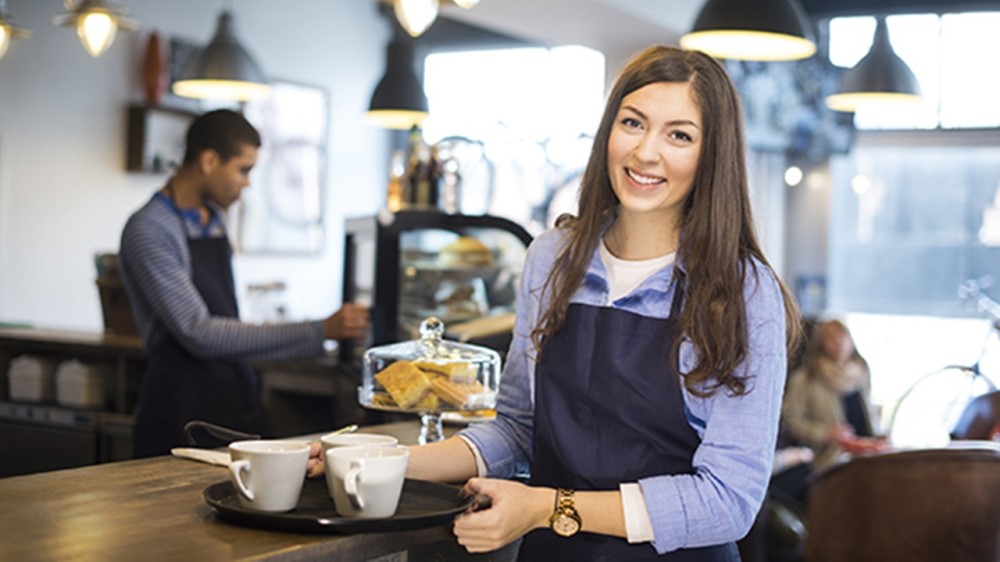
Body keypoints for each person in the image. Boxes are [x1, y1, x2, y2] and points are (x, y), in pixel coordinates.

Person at [313, 45, 801, 559]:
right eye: (632, 123)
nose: (646, 153)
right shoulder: (552, 259)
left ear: (711, 155)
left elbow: (729, 500)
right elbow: (519, 430)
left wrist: (547, 507)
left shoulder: (741, 290)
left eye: (679, 135)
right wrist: (377, 458)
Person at [119, 109, 369, 458]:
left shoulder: (214, 217)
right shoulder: (150, 230)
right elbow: (199, 332)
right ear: (208, 161)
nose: (247, 182)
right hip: (180, 412)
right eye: (243, 169)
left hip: (234, 397)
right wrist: (319, 330)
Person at [782, 319, 887, 471]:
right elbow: (792, 421)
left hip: (866, 454)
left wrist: (878, 435)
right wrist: (825, 433)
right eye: (832, 337)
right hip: (828, 460)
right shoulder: (807, 378)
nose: (839, 342)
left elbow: (868, 413)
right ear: (821, 343)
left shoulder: (862, 372)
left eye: (842, 336)